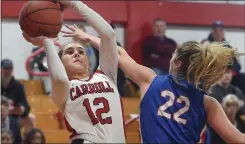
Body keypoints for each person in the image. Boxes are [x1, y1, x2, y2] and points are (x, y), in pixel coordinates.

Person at [64, 27, 245, 143]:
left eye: (173, 55)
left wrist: (87, 37)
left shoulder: (151, 80)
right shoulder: (208, 103)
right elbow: (238, 140)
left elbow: (117, 54)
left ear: (178, 63)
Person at [22, 1, 125, 143]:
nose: (76, 54)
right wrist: (48, 42)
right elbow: (60, 79)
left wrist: (75, 3)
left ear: (89, 63)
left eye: (81, 52)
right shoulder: (63, 89)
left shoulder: (106, 74)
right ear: (61, 64)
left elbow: (109, 36)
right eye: (69, 52)